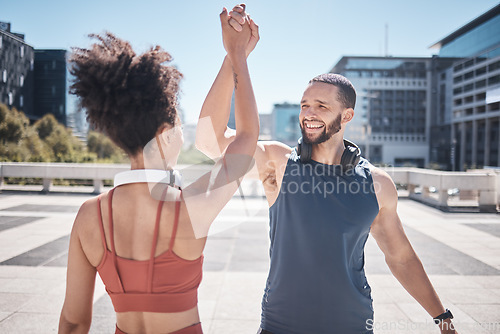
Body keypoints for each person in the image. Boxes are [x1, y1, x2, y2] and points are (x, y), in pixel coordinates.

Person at [196, 4, 458, 334]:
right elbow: (209, 141)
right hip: (281, 325)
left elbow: (401, 257)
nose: (309, 113)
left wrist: (441, 315)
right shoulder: (278, 164)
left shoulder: (377, 184)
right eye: (305, 104)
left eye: (322, 106)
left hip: (352, 325)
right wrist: (235, 55)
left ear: (346, 116)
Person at [58, 8, 259, 334]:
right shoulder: (192, 206)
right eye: (179, 126)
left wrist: (232, 57)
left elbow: (74, 321)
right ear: (166, 133)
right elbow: (247, 136)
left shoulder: (88, 216)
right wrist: (237, 54)